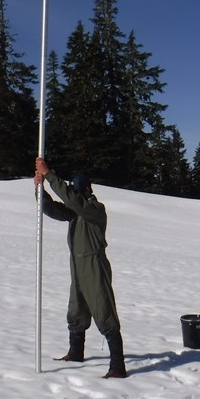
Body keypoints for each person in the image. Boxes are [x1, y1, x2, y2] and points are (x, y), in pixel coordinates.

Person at [34, 157, 127, 379]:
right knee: (76, 310)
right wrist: (39, 189)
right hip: (77, 264)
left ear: (86, 190)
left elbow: (73, 201)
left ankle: (118, 366)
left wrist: (49, 174)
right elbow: (50, 209)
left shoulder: (95, 210)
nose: (74, 196)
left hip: (94, 265)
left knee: (104, 312)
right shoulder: (75, 211)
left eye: (77, 192)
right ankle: (76, 353)